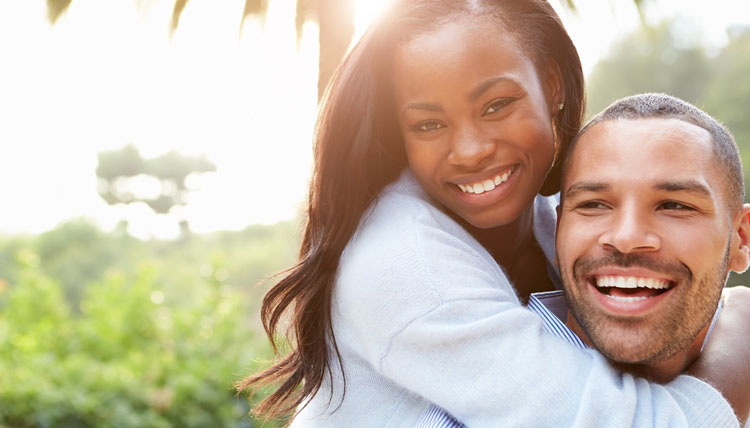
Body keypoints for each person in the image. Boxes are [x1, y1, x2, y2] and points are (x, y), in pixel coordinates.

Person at [239, 1, 750, 426]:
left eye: (495, 105)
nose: (469, 151)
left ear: (552, 85)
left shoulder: (558, 220)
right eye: (428, 125)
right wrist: (736, 342)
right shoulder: (403, 260)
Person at [420, 93, 750, 427]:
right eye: (594, 204)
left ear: (741, 239)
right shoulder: (470, 415)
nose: (627, 237)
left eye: (674, 206)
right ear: (559, 228)